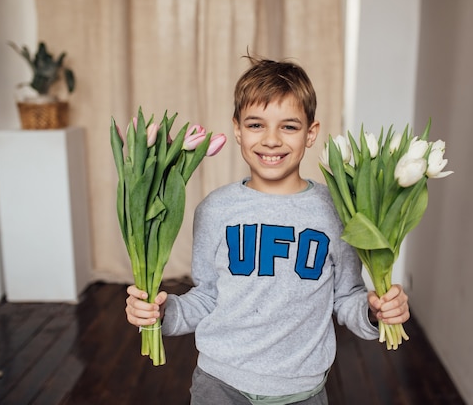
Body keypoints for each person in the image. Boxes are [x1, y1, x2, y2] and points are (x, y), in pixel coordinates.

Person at [126, 56, 410, 405]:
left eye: (289, 127)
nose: (271, 140)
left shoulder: (337, 211)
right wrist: (160, 312)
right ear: (237, 129)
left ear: (311, 133)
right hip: (219, 383)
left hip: (301, 391)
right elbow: (206, 296)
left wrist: (373, 310)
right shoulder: (215, 210)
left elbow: (346, 296)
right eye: (256, 125)